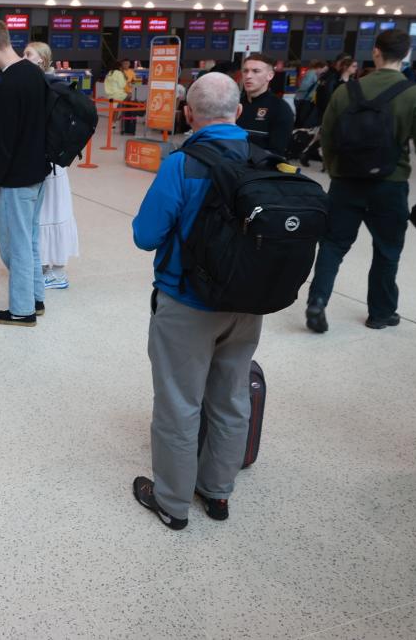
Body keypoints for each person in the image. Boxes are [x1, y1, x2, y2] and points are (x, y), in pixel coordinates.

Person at [130, 72, 264, 531]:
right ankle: (218, 493)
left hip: (187, 303)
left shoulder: (180, 164)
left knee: (178, 403)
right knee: (230, 398)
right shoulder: (264, 159)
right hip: (248, 302)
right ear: (239, 111)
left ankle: (171, 502)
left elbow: (145, 236)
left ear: (188, 113)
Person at [305, 30, 416, 333]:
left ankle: (317, 301)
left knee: (333, 244)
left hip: (345, 184)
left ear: (375, 53)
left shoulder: (345, 91)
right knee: (387, 249)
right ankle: (381, 313)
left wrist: (338, 171)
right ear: (406, 56)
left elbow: (326, 137)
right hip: (389, 185)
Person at [0, 20, 51, 326]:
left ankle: (22, 310)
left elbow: (3, 145)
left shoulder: (8, 83)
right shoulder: (35, 74)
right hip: (39, 171)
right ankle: (36, 297)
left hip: (17, 178)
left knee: (15, 245)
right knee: (30, 239)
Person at [24, 42, 80, 290]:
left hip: (52, 164)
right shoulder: (41, 85)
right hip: (44, 160)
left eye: (28, 54)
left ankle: (58, 272)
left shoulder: (50, 87)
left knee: (53, 212)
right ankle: (45, 265)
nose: (23, 57)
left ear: (42, 60)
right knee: (44, 213)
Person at [237, 53, 294, 155]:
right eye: (245, 71)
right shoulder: (234, 104)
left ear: (270, 76)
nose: (248, 76)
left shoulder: (280, 108)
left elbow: (276, 152)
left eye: (256, 71)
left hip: (257, 168)